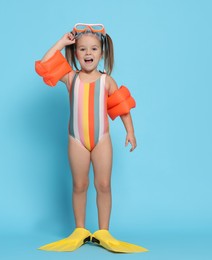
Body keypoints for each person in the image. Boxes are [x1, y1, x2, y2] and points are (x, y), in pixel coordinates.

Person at [35, 23, 148, 253]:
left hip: (101, 139)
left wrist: (130, 131)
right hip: (76, 139)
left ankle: (103, 232)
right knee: (80, 185)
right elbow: (45, 64)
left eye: (94, 49)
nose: (88, 53)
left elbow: (122, 106)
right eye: (82, 49)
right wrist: (61, 42)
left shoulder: (107, 81)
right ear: (75, 53)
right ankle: (80, 230)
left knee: (103, 184)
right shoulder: (70, 77)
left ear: (102, 52)